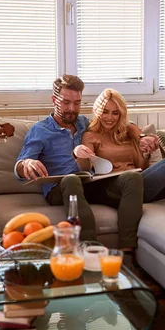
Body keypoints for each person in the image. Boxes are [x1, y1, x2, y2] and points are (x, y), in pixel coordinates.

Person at [15, 75, 143, 251]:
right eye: (66, 102)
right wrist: (27, 163)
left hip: (90, 183)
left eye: (77, 103)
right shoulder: (40, 130)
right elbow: (20, 166)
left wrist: (140, 135)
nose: (72, 109)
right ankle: (89, 249)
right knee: (71, 179)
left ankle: (127, 251)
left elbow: (121, 123)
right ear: (54, 100)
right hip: (60, 188)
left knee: (132, 178)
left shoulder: (84, 123)